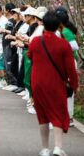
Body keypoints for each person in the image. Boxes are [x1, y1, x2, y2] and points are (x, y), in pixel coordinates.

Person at [27, 11, 79, 156]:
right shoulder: (63, 45)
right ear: (58, 26)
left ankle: (44, 149)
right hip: (56, 83)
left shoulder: (36, 42)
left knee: (42, 115)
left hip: (37, 83)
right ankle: (58, 147)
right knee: (57, 114)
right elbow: (70, 69)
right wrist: (74, 85)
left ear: (43, 23)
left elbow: (29, 56)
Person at [55, 7, 79, 127]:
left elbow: (74, 47)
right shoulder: (64, 31)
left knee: (68, 91)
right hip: (64, 63)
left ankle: (69, 117)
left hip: (68, 63)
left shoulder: (65, 32)